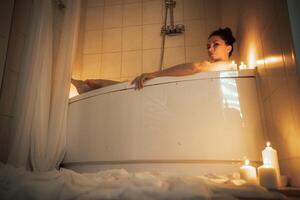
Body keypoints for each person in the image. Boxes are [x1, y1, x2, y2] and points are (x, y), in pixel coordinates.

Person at [71, 27, 236, 93]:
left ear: (228, 48)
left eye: (216, 44)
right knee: (128, 84)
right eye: (208, 46)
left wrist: (155, 74)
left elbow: (195, 66)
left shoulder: (225, 66)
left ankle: (86, 85)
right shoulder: (218, 69)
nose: (210, 49)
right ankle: (86, 85)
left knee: (129, 85)